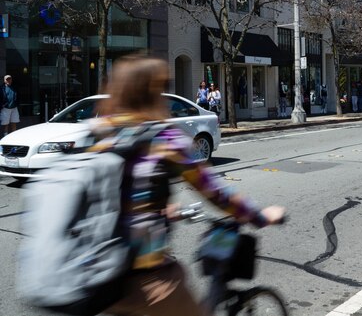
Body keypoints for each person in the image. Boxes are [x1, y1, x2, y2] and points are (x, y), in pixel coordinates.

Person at [94, 55, 284, 316]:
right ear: (153, 92)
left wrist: (156, 207)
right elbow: (214, 191)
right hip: (143, 276)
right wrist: (259, 215)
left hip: (95, 274)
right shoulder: (162, 138)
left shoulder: (99, 134)